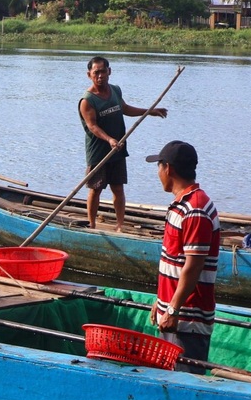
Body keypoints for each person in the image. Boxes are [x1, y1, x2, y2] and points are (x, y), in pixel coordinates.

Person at [146, 141, 219, 373]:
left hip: (187, 320)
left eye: (159, 166)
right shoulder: (180, 205)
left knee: (183, 382)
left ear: (169, 169)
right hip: (173, 313)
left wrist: (173, 309)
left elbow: (193, 266)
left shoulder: (195, 209)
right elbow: (175, 260)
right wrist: (162, 300)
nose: (158, 173)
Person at [79, 56, 167, 231]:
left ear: (109, 72)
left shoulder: (115, 91)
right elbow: (93, 126)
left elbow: (125, 109)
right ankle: (92, 224)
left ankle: (120, 225)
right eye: (96, 73)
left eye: (103, 71)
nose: (100, 76)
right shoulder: (87, 101)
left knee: (118, 188)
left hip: (118, 150)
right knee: (96, 189)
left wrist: (149, 112)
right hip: (99, 152)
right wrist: (109, 139)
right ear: (89, 74)